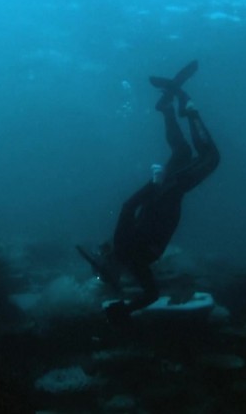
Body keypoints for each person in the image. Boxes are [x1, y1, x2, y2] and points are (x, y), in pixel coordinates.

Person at [78, 60, 220, 325]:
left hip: (168, 189)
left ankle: (189, 110)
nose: (109, 277)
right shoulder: (135, 265)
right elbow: (152, 294)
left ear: (107, 263)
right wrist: (128, 309)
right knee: (183, 152)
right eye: (105, 277)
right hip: (169, 191)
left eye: (104, 273)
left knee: (211, 158)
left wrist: (155, 184)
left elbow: (128, 207)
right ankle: (167, 107)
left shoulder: (123, 245)